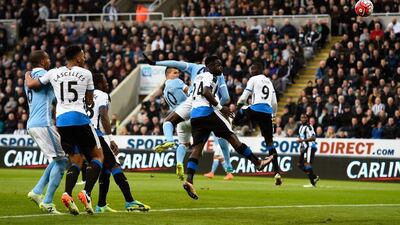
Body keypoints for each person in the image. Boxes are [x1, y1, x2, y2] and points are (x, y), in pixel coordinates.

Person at [25, 45, 104, 215]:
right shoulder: (86, 73)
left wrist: (26, 74)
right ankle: (84, 193)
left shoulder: (53, 73)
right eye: (82, 55)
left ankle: (64, 194)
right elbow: (89, 101)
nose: (84, 58)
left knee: (72, 159)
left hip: (61, 122)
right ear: (77, 58)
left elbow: (32, 84)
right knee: (97, 156)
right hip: (72, 119)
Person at [183, 56, 273, 200]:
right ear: (210, 65)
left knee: (197, 149)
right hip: (207, 112)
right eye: (218, 65)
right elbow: (206, 92)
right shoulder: (208, 75)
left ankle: (189, 180)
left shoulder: (197, 77)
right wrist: (221, 107)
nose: (221, 68)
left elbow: (193, 94)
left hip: (195, 116)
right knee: (231, 136)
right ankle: (257, 162)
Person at [143, 54, 234, 175]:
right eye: (175, 73)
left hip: (181, 114)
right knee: (220, 134)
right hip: (200, 108)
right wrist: (219, 107)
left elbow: (175, 62)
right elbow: (226, 97)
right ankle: (227, 163)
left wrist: (154, 62)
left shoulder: (192, 68)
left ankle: (178, 159)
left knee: (181, 141)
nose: (178, 74)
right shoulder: (217, 74)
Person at [85, 73, 150, 213]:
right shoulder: (102, 95)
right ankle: (130, 201)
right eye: (104, 81)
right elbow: (103, 115)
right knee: (115, 165)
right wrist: (110, 138)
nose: (107, 84)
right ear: (99, 83)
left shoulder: (85, 95)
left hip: (84, 134)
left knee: (106, 170)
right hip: (98, 135)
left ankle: (101, 205)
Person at [25, 50, 68, 214]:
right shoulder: (46, 74)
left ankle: (37, 191)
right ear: (43, 60)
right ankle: (48, 202)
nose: (50, 60)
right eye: (48, 58)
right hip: (44, 124)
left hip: (33, 123)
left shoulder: (29, 76)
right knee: (63, 160)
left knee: (58, 159)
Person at [235, 62, 282, 185]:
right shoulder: (269, 81)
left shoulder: (253, 79)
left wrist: (238, 105)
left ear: (255, 70)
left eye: (252, 70)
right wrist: (274, 116)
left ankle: (232, 124)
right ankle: (276, 172)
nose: (250, 72)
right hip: (267, 113)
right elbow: (275, 103)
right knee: (270, 144)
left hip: (256, 109)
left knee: (241, 110)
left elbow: (245, 96)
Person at [162, 67, 189, 180]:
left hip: (179, 120)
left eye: (178, 73)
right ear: (168, 74)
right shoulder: (177, 82)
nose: (178, 75)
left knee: (184, 144)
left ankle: (179, 163)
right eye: (175, 72)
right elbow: (191, 90)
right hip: (190, 113)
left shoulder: (164, 91)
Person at [296, 114, 319, 188]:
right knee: (299, 164)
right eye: (302, 117)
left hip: (310, 147)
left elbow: (313, 138)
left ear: (307, 119)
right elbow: (300, 136)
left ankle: (313, 183)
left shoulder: (308, 127)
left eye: (305, 118)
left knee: (307, 164)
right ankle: (314, 177)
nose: (303, 119)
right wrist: (301, 146)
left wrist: (302, 140)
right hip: (304, 148)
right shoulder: (300, 127)